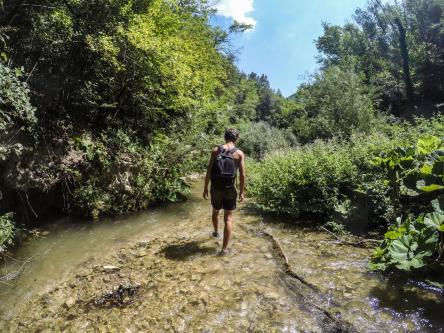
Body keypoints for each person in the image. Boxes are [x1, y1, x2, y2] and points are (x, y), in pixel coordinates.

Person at [203, 128, 245, 255]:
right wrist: (241, 192)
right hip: (230, 189)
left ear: (224, 137)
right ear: (236, 138)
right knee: (228, 218)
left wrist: (205, 187)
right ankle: (224, 249)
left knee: (215, 212)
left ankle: (216, 232)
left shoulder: (216, 150)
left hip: (216, 188)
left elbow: (209, 170)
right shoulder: (239, 154)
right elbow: (242, 175)